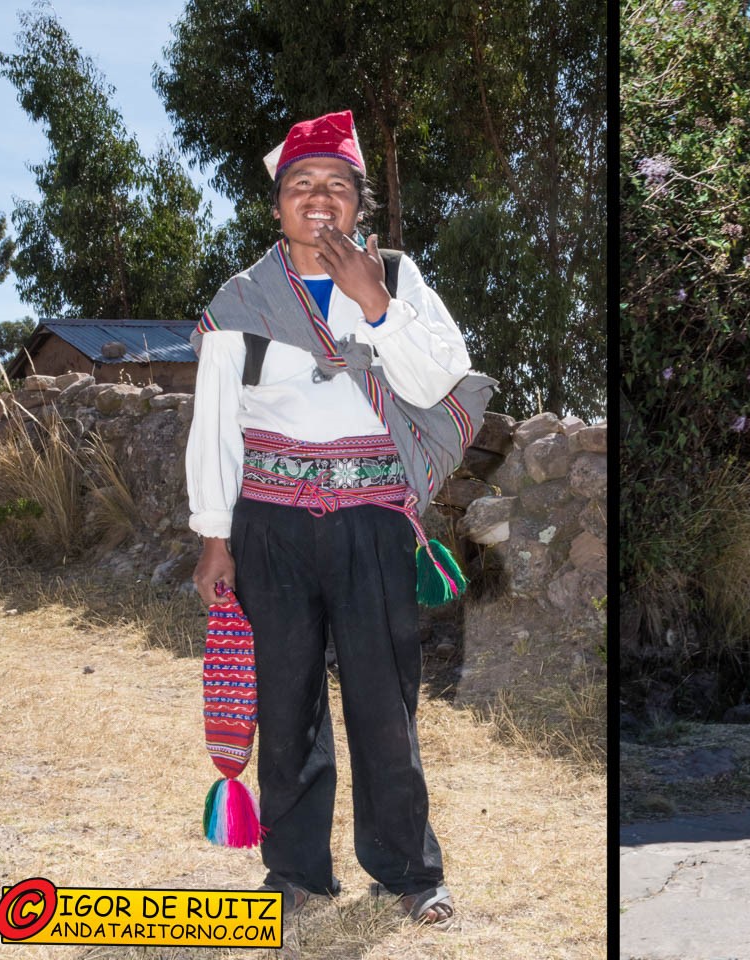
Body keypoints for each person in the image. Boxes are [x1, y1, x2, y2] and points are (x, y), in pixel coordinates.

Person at [187, 110, 489, 925]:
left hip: (372, 522)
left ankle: (409, 870)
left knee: (384, 704)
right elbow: (215, 424)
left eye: (336, 188)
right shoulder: (242, 299)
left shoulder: (397, 275)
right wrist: (215, 538)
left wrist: (377, 305)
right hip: (270, 527)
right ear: (278, 205)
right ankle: (293, 874)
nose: (318, 201)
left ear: (360, 204)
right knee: (283, 702)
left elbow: (439, 381)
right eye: (300, 187)